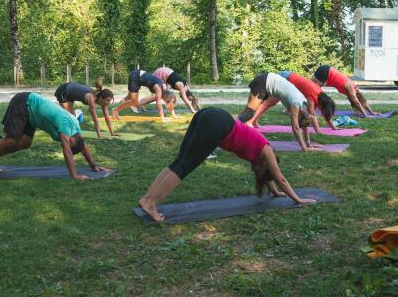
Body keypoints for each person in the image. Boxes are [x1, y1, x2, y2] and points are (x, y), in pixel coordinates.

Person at [138, 108, 316, 222]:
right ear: (266, 165)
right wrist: (298, 199)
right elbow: (281, 179)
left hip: (209, 115)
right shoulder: (267, 151)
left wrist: (275, 192)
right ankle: (151, 203)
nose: (256, 172)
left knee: (180, 162)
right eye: (262, 171)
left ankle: (147, 199)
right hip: (218, 124)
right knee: (184, 166)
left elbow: (269, 178)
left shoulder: (259, 159)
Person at [0, 92, 109, 179]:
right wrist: (75, 175)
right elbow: (67, 152)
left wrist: (94, 165)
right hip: (24, 102)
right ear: (72, 138)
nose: (63, 144)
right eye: (68, 143)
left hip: (32, 114)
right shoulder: (67, 128)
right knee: (11, 140)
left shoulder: (76, 131)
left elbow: (83, 147)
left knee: (25, 142)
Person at [238, 73, 319, 151]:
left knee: (248, 114)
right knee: (248, 114)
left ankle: (233, 127)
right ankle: (230, 125)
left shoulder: (304, 105)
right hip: (263, 81)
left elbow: (305, 123)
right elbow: (295, 128)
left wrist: (308, 143)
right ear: (299, 116)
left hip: (269, 80)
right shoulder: (296, 104)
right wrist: (304, 147)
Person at [311, 65, 380, 117]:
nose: (349, 99)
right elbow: (357, 102)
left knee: (313, 89)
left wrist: (372, 112)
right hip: (326, 72)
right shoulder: (351, 90)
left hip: (327, 71)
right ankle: (310, 108)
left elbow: (363, 101)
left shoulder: (355, 89)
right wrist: (366, 115)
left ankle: (312, 107)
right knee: (312, 89)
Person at [112, 69, 177, 122]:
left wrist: (174, 115)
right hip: (136, 76)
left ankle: (116, 111)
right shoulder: (159, 89)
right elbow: (159, 104)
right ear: (165, 98)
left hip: (139, 76)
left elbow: (170, 100)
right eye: (166, 101)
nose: (165, 102)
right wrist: (163, 119)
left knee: (128, 98)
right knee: (133, 101)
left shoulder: (165, 89)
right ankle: (115, 110)